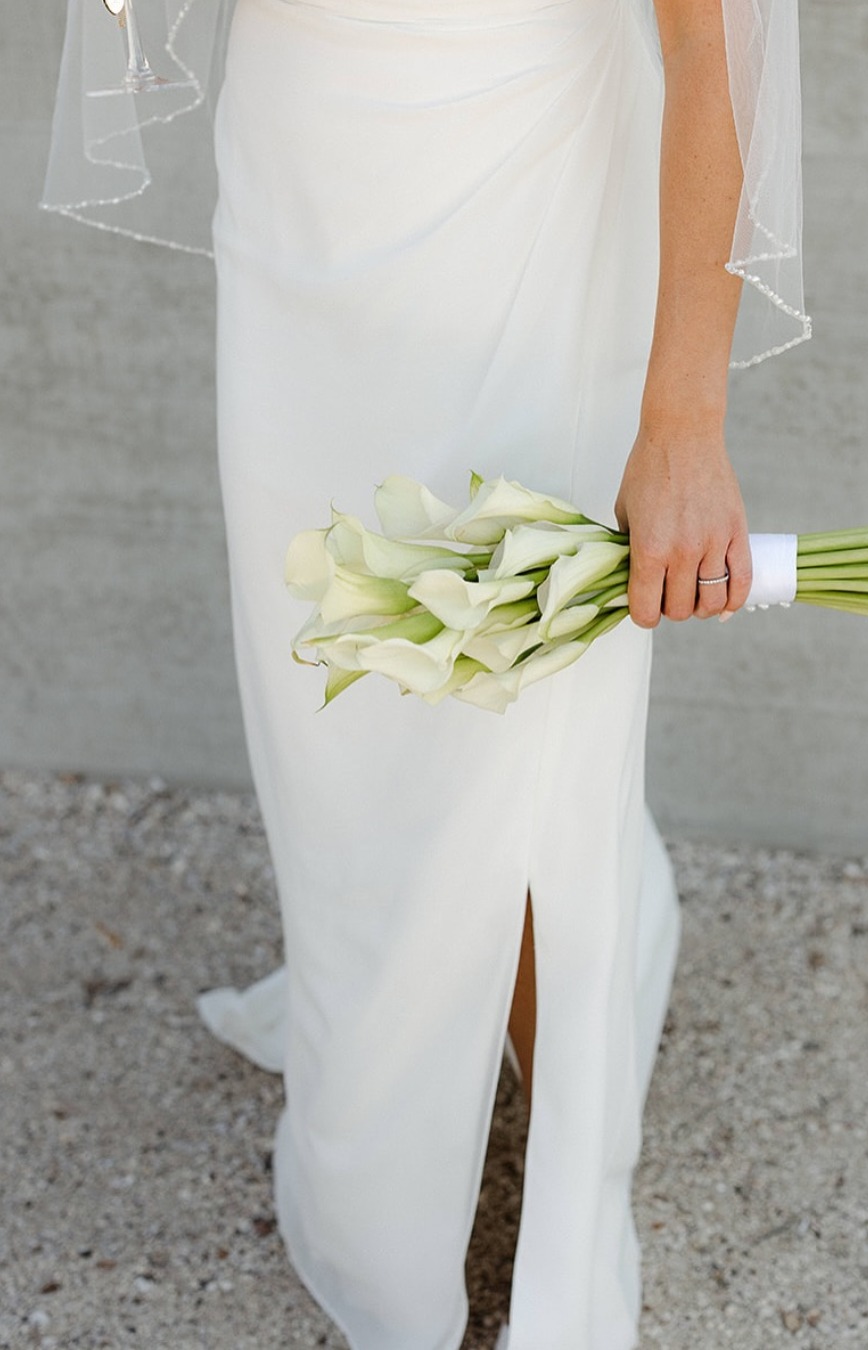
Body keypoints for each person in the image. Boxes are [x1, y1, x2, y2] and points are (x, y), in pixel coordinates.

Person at [45, 0, 809, 1344]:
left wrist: (685, 419)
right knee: (339, 714)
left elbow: (718, 40)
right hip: (301, 190)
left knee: (518, 715)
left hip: (528, 183)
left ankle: (562, 1177)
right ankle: (443, 1043)